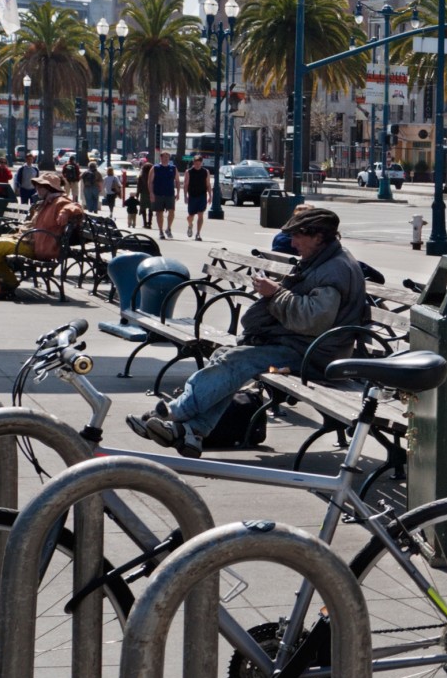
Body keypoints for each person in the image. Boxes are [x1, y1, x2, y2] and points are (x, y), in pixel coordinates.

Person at [130, 205, 366, 458]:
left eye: (298, 235)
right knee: (226, 354)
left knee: (238, 360)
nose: (293, 242)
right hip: (300, 345)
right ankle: (193, 432)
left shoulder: (334, 269)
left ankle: (176, 412)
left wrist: (275, 293)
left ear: (318, 237)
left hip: (315, 356)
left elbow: (313, 320)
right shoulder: (322, 260)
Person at [0, 171, 83, 291]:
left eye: (40, 186)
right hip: (25, 239)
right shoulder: (46, 202)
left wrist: (65, 211)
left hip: (35, 246)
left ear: (49, 188)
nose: (37, 188)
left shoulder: (58, 201)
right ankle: (1, 279)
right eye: (37, 185)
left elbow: (75, 207)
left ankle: (9, 282)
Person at [148, 151, 177, 238]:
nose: (166, 159)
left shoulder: (173, 168)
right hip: (158, 194)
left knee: (171, 211)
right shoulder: (155, 168)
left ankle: (168, 228)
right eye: (164, 157)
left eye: (167, 157)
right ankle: (161, 231)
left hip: (170, 193)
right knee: (159, 213)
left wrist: (178, 192)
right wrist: (151, 193)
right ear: (160, 158)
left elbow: (178, 181)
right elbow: (150, 182)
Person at [183, 155, 210, 239]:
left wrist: (210, 196)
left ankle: (198, 233)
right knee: (190, 216)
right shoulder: (189, 172)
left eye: (199, 163)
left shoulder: (206, 172)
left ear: (201, 163)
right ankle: (190, 225)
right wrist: (185, 196)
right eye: (196, 163)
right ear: (193, 163)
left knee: (200, 214)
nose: (197, 165)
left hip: (202, 196)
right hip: (192, 196)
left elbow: (208, 184)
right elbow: (185, 185)